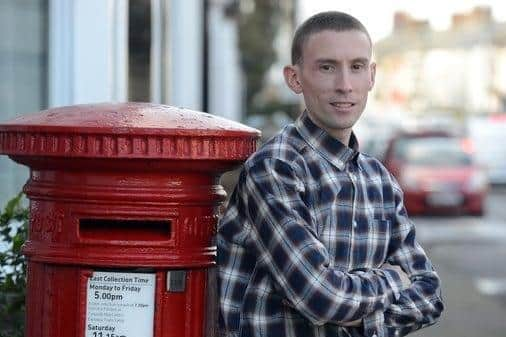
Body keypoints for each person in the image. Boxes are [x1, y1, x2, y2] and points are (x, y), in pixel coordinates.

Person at [217, 11, 444, 337]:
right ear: (294, 79)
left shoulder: (379, 179)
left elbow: (429, 296)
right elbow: (321, 298)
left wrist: (361, 313)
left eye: (356, 67)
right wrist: (393, 278)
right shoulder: (275, 170)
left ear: (372, 76)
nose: (344, 85)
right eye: (327, 67)